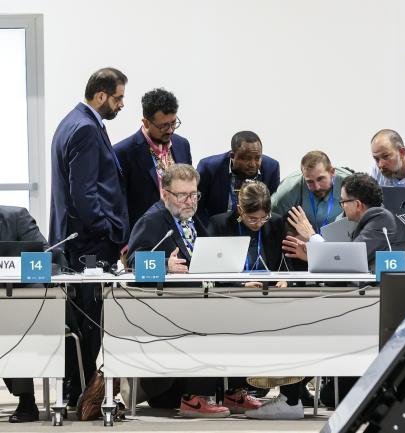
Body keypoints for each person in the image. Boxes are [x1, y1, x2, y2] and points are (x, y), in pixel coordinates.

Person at [126, 163, 260, 417]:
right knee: (208, 322)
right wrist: (166, 265)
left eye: (194, 195)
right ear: (165, 194)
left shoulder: (191, 219)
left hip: (198, 298)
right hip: (168, 306)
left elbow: (209, 262)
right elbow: (133, 263)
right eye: (182, 196)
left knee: (243, 314)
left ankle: (233, 391)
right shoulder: (153, 220)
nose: (190, 201)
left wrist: (239, 285)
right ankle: (194, 398)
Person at [49, 67, 130, 405]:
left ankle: (78, 392)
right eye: (119, 97)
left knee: (85, 319)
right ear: (101, 95)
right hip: (88, 243)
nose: (121, 104)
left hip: (82, 239)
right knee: (88, 321)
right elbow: (83, 193)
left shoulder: (76, 122)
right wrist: (106, 229)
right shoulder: (84, 128)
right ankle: (81, 394)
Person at [282, 173, 405, 268]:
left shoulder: (381, 219)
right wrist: (312, 256)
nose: (342, 207)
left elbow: (348, 259)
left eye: (343, 201)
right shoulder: (373, 221)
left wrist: (311, 235)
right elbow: (343, 261)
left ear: (358, 204)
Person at [114, 88, 192, 229]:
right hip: (145, 238)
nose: (170, 130)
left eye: (173, 123)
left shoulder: (182, 145)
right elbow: (118, 205)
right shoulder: (123, 152)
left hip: (182, 234)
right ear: (146, 122)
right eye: (163, 126)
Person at [0, 205, 48, 422]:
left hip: (19, 298)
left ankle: (27, 400)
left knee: (10, 319)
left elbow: (46, 254)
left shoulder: (16, 216)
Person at [208, 180, 289, 280]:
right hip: (234, 291)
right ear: (240, 210)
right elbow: (214, 268)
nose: (259, 224)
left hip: (270, 288)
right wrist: (240, 284)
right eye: (252, 219)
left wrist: (285, 280)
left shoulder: (276, 223)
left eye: (264, 217)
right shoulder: (219, 225)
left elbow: (285, 262)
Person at [197, 131, 280, 220]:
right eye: (247, 158)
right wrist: (210, 230)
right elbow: (198, 208)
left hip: (255, 226)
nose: (253, 164)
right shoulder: (209, 168)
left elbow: (271, 208)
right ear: (232, 156)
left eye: (257, 158)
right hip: (218, 228)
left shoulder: (271, 168)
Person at [272, 150, 353, 234]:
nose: (317, 187)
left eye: (320, 179)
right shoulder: (288, 190)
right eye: (310, 182)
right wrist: (290, 234)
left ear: (332, 172)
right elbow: (269, 219)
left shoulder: (350, 184)